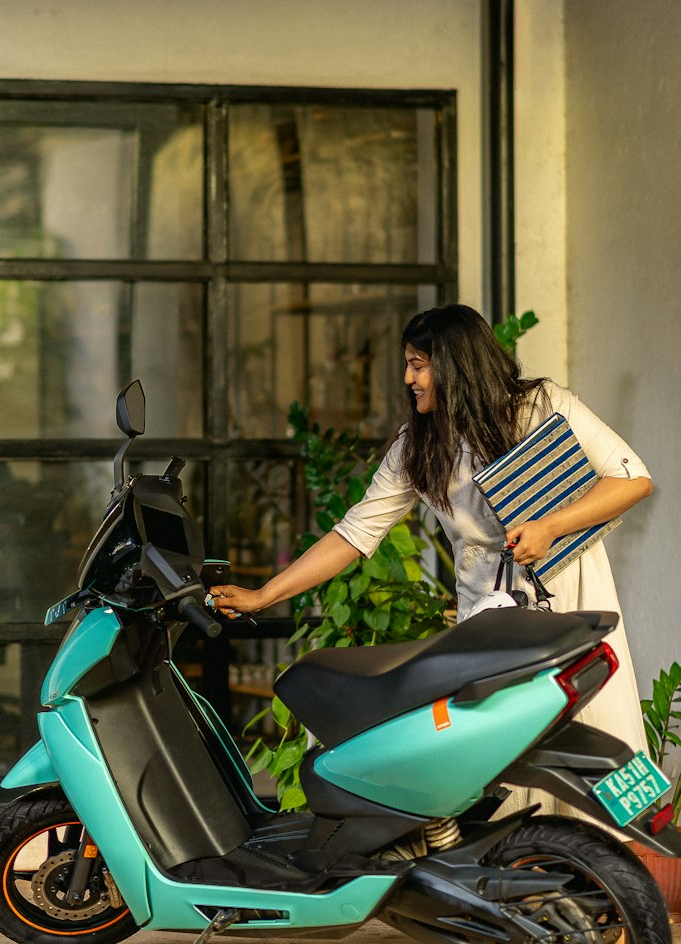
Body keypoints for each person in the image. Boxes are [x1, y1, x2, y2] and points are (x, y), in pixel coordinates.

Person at [210, 302, 653, 763]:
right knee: (502, 759)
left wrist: (551, 526)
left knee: (591, 738)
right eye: (408, 365)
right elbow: (354, 534)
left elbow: (633, 478)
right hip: (491, 612)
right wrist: (263, 596)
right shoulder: (417, 446)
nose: (407, 379)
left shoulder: (544, 406)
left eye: (418, 366)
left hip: (572, 592)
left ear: (455, 366)